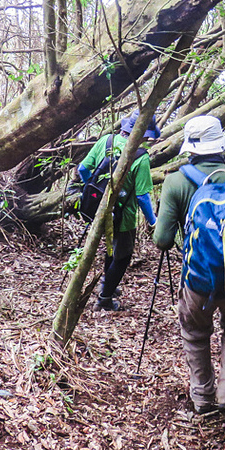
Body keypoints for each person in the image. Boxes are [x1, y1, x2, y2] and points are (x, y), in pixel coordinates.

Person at [153, 116, 225, 417]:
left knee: (195, 332)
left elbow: (162, 240)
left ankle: (203, 398)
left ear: (190, 148)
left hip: (198, 280)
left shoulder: (176, 181)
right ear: (221, 145)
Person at [77, 111, 159, 311]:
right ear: (142, 134)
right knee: (122, 256)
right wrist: (153, 221)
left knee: (111, 249)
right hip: (124, 217)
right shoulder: (140, 157)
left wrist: (93, 188)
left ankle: (108, 286)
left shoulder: (107, 141)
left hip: (98, 210)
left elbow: (82, 169)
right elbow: (141, 196)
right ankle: (104, 298)